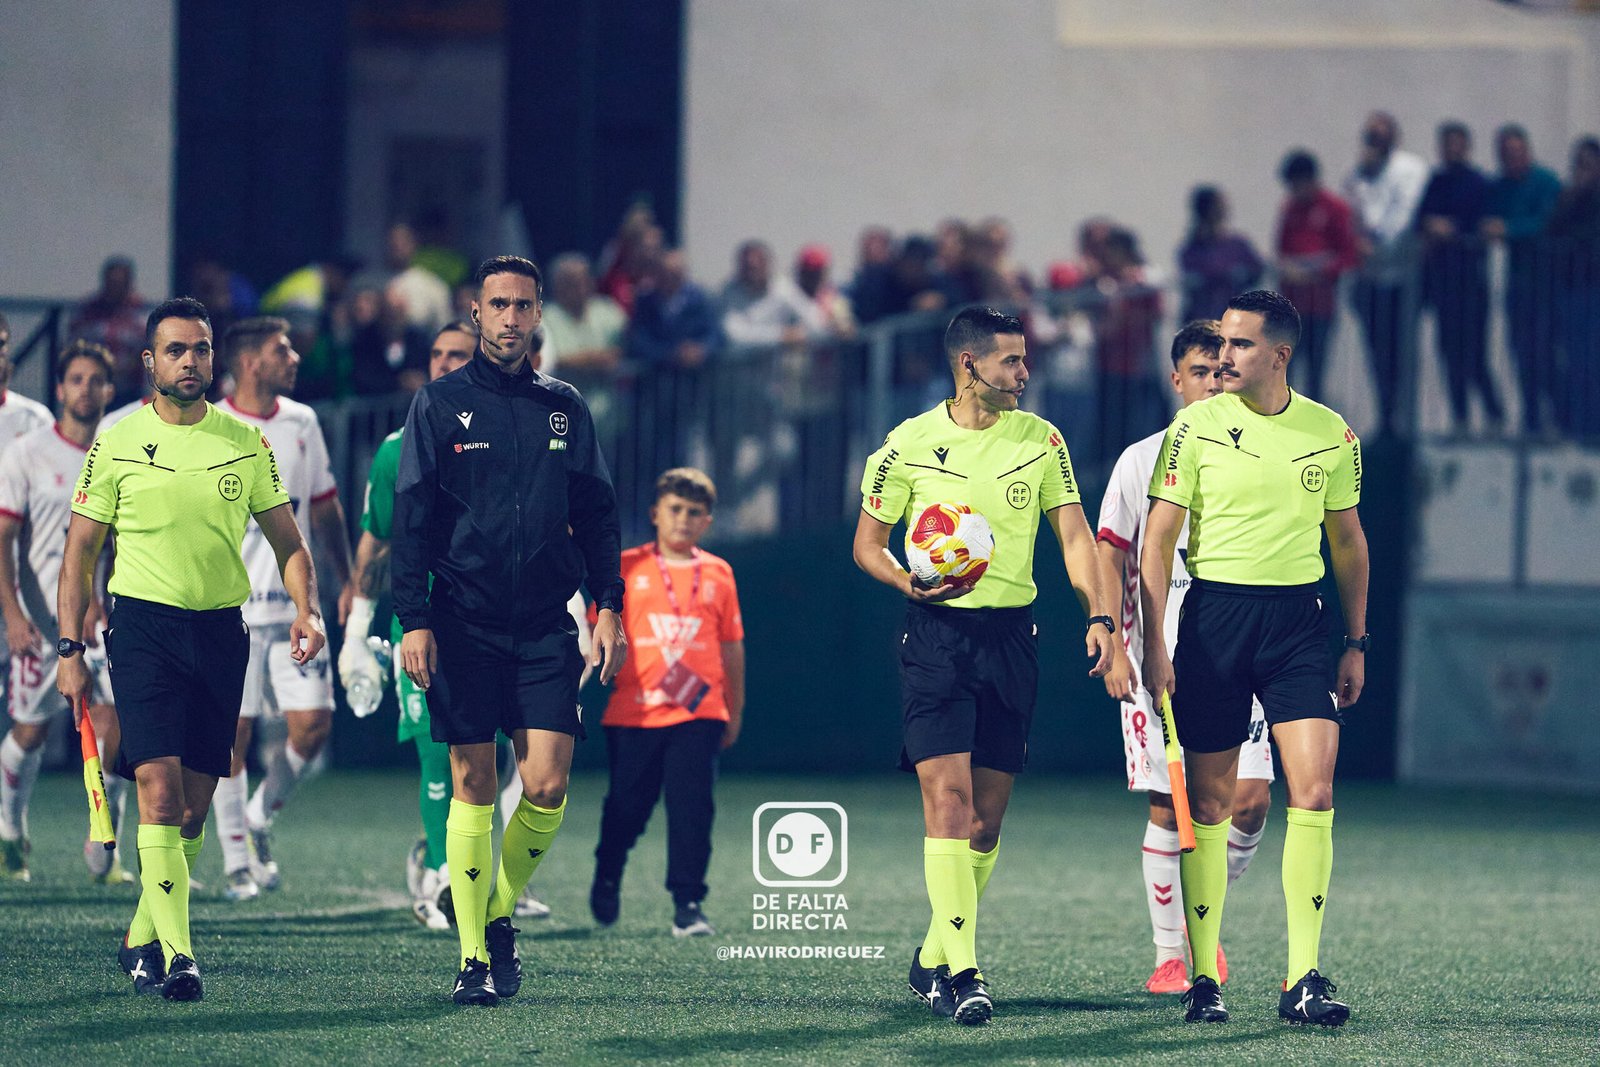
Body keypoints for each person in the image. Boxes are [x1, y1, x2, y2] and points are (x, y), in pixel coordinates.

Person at [852, 306, 1131, 1026]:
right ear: (969, 364)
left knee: (985, 821)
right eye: (1011, 360)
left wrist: (1101, 615)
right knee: (947, 803)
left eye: (1025, 358)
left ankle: (933, 951)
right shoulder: (908, 444)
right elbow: (868, 542)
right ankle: (964, 972)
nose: (1025, 372)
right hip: (936, 636)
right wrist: (901, 579)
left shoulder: (1042, 440)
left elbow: (1074, 536)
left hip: (1013, 638)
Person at [59, 297, 325, 1001]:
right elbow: (79, 550)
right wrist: (68, 643)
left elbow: (289, 542)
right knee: (157, 787)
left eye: (200, 349)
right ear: (149, 361)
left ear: (214, 357)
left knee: (194, 808)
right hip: (143, 628)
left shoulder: (244, 440)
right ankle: (180, 955)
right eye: (175, 350)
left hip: (219, 631)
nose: (190, 361)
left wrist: (308, 607)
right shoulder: (115, 440)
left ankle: (141, 936)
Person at [393, 255, 627, 1006]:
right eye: (498, 305)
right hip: (461, 622)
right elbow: (412, 523)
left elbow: (596, 514)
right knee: (472, 779)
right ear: (476, 313)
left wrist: (608, 604)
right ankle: (471, 955)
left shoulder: (565, 407)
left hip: (543, 625)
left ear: (537, 318)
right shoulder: (437, 404)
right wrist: (414, 618)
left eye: (523, 306)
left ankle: (495, 909)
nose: (511, 318)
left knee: (549, 783)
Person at [1140, 290, 1368, 1027]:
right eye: (1220, 345)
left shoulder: (1330, 432)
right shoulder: (1194, 427)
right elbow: (1158, 541)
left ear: (1280, 354)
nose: (1223, 356)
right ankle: (1204, 975)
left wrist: (1357, 640)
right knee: (1206, 805)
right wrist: (1152, 641)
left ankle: (1302, 976)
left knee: (1316, 789)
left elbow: (1349, 543)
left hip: (1299, 625)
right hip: (1215, 620)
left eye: (1239, 345)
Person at [344, 320, 583, 929]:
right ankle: (443, 882)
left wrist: (584, 603)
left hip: (510, 622)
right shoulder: (399, 447)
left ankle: (479, 882)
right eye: (439, 354)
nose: (449, 363)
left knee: (510, 766)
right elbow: (376, 542)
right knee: (439, 758)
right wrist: (356, 633)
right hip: (424, 624)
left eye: (459, 353)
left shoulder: (535, 423)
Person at [1095, 320, 1275, 994]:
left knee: (1249, 803)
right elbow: (1109, 551)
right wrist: (1114, 636)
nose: (1212, 381)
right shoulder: (1141, 459)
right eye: (1200, 370)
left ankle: (1203, 911)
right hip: (1159, 657)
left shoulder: (1257, 449)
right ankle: (1174, 952)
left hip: (1245, 646)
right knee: (1172, 806)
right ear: (1176, 378)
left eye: (1222, 370)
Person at [208, 317, 354, 901]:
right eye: (281, 349)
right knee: (232, 736)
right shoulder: (211, 426)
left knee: (313, 727)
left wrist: (345, 583)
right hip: (232, 613)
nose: (294, 356)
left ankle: (261, 815)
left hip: (296, 606)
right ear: (248, 362)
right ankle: (238, 860)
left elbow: (322, 509)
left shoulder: (302, 422)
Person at [589, 468, 744, 937]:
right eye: (675, 509)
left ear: (707, 522)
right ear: (656, 513)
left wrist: (733, 709)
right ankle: (609, 868)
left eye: (694, 513)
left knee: (693, 807)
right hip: (634, 711)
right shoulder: (625, 566)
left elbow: (732, 644)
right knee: (628, 807)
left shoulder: (719, 573)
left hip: (700, 712)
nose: (683, 519)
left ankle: (688, 902)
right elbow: (594, 629)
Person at [0, 342, 126, 884]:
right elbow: (4, 539)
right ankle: (9, 824)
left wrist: (111, 597)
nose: (86, 388)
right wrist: (13, 614)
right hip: (42, 619)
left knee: (117, 728)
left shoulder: (123, 450)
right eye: (76, 378)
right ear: (59, 389)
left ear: (109, 390)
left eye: (96, 379)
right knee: (31, 731)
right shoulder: (27, 453)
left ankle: (106, 837)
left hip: (101, 622)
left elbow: (121, 539)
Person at [1344, 111, 1429, 438]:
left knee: (1402, 354)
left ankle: (1404, 422)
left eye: (1379, 137)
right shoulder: (1358, 175)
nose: (1373, 144)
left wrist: (1373, 242)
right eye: (1370, 137)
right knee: (1377, 354)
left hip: (1402, 279)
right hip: (1370, 280)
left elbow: (1399, 221)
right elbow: (1352, 216)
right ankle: (1386, 418)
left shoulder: (1410, 170)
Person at [1417, 121, 1502, 435]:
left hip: (1471, 282)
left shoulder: (1478, 183)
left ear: (1466, 146)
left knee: (1475, 352)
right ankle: (1460, 416)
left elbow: (1483, 225)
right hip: (1443, 284)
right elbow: (1420, 220)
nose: (1451, 149)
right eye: (1446, 143)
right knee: (1448, 352)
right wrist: (1431, 226)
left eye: (1457, 143)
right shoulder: (1436, 182)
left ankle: (1493, 412)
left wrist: (1454, 230)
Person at [1482, 125, 1563, 435]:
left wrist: (1510, 229)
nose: (1511, 160)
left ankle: (1558, 415)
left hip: (1547, 281)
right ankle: (1531, 415)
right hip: (1518, 282)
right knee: (1520, 350)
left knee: (1546, 351)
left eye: (1516, 153)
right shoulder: (1500, 186)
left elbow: (1548, 221)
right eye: (1505, 154)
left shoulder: (1546, 182)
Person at [1275, 151, 1359, 401]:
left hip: (1321, 305)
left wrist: (1317, 271)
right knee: (1285, 368)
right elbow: (1282, 250)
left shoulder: (1334, 208)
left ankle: (1312, 426)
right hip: (1292, 306)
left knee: (1316, 370)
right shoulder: (1289, 209)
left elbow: (1348, 254)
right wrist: (1288, 270)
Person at [1178, 187, 1264, 324]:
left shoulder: (1238, 244)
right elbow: (1193, 276)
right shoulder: (1193, 247)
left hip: (1235, 317)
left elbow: (1257, 269)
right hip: (1202, 318)